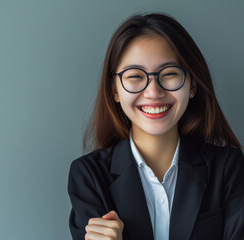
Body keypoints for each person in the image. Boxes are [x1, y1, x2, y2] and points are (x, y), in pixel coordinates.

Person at [67, 13, 244, 240]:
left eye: (169, 73)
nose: (153, 92)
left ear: (193, 85)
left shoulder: (228, 169)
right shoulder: (89, 177)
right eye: (135, 76)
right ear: (114, 91)